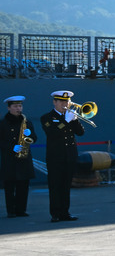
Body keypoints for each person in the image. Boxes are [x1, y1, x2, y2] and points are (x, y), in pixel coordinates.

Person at [40, 90, 83, 222]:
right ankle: (55, 214)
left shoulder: (70, 116)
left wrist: (75, 120)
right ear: (55, 102)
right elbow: (52, 133)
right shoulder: (47, 117)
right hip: (55, 157)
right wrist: (66, 121)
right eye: (62, 102)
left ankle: (65, 212)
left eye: (67, 102)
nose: (65, 104)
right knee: (55, 185)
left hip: (69, 156)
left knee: (66, 186)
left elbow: (80, 132)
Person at [2, 96, 36, 217]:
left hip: (23, 159)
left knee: (23, 186)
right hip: (9, 160)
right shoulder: (2, 123)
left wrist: (30, 135)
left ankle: (21, 210)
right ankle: (11, 211)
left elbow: (34, 138)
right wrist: (11, 147)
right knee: (10, 187)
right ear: (9, 108)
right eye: (15, 106)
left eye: (20, 106)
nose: (18, 109)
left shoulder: (27, 122)